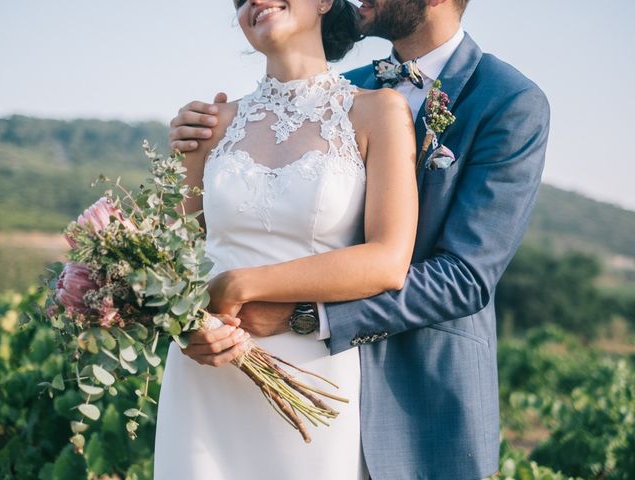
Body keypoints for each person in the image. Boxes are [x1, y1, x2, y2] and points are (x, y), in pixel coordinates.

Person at [168, 0, 551, 478]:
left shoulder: (507, 100)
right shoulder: (347, 88)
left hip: (413, 390)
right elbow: (188, 251)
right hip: (234, 372)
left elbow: (464, 277)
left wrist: (303, 317)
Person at [154, 0, 418, 479]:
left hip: (315, 370)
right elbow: (172, 264)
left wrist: (241, 284)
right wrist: (184, 329)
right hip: (204, 377)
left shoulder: (379, 112)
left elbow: (387, 261)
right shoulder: (210, 125)